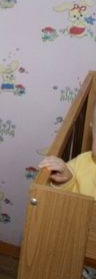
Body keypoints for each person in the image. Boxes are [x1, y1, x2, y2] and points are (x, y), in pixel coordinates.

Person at [38, 103, 96, 279]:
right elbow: (61, 201)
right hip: (81, 247)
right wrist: (66, 179)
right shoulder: (83, 162)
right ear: (92, 127)